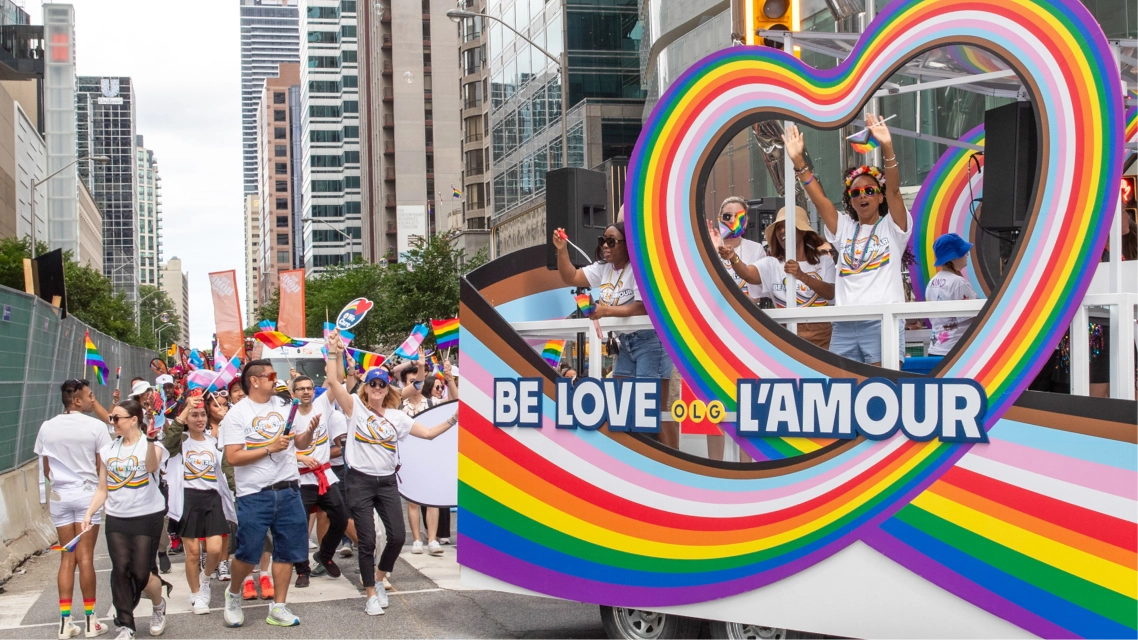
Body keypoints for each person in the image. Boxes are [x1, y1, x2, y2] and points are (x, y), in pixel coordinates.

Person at [322, 332, 458, 616]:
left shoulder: (397, 417)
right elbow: (334, 382)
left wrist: (455, 418)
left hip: (385, 483)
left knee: (397, 537)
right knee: (368, 540)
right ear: (366, 388)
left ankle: (380, 578)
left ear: (387, 390)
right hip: (359, 482)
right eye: (372, 383)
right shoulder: (355, 410)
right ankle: (370, 594)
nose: (376, 388)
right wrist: (333, 352)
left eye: (381, 384)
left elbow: (430, 433)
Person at [785, 114, 912, 366]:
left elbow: (895, 190)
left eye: (869, 190)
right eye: (855, 192)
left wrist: (887, 146)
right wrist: (799, 162)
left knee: (884, 390)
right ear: (849, 199)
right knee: (843, 393)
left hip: (881, 321)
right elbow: (820, 201)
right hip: (844, 323)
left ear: (880, 196)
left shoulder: (892, 227)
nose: (862, 195)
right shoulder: (845, 227)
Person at [551, 216, 677, 447]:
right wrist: (562, 250)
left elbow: (643, 307)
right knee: (619, 403)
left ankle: (675, 461)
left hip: (651, 342)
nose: (605, 246)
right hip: (627, 343)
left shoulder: (639, 269)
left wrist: (605, 311)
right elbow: (571, 276)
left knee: (653, 407)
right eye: (603, 241)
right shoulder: (604, 269)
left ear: (628, 245)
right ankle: (627, 455)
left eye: (612, 241)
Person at [218, 359, 320, 628]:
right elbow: (233, 456)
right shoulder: (237, 414)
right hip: (254, 493)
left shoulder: (285, 405)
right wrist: (269, 448)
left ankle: (279, 606)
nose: (276, 379)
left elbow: (298, 442)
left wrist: (308, 432)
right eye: (270, 375)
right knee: (248, 551)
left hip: (288, 488)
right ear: (254, 380)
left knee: (287, 550)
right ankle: (234, 593)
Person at [81, 400, 171, 640]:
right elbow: (103, 488)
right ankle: (125, 624)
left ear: (134, 419)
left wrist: (151, 441)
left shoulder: (151, 445)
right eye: (111, 418)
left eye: (117, 418)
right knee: (121, 570)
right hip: (117, 517)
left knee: (141, 572)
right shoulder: (108, 450)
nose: (112, 423)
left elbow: (152, 467)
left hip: (147, 515)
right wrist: (89, 513)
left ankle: (158, 604)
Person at [36, 379, 112, 640]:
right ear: (77, 400)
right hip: (87, 495)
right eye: (90, 396)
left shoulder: (47, 427)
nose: (93, 400)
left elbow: (46, 469)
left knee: (67, 558)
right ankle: (91, 621)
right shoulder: (96, 427)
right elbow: (103, 466)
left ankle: (64, 622)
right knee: (86, 558)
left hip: (60, 495)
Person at [719, 206, 836, 349]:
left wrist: (802, 276)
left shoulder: (824, 261)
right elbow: (747, 274)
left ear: (803, 231)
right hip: (787, 337)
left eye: (787, 225)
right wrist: (733, 258)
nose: (782, 231)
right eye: (779, 227)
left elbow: (831, 293)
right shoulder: (772, 264)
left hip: (824, 339)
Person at [164, 393, 235, 615]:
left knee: (214, 550)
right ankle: (196, 595)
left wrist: (235, 491)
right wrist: (186, 409)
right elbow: (167, 444)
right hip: (188, 499)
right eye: (194, 415)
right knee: (193, 552)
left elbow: (226, 470)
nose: (199, 419)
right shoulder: (180, 443)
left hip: (212, 498)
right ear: (186, 418)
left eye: (202, 414)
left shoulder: (214, 443)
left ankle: (205, 580)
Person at [289, 376, 349, 588]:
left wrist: (334, 351)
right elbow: (282, 449)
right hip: (301, 478)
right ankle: (302, 570)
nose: (306, 392)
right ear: (293, 393)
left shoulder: (322, 404)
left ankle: (325, 555)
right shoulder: (289, 416)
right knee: (300, 528)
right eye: (301, 389)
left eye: (309, 388)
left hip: (325, 475)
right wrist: (300, 457)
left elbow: (334, 379)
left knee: (341, 519)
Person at [925, 233, 983, 356]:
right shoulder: (958, 283)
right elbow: (976, 317)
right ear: (953, 257)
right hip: (955, 353)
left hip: (936, 349)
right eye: (963, 252)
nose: (967, 254)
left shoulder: (932, 283)